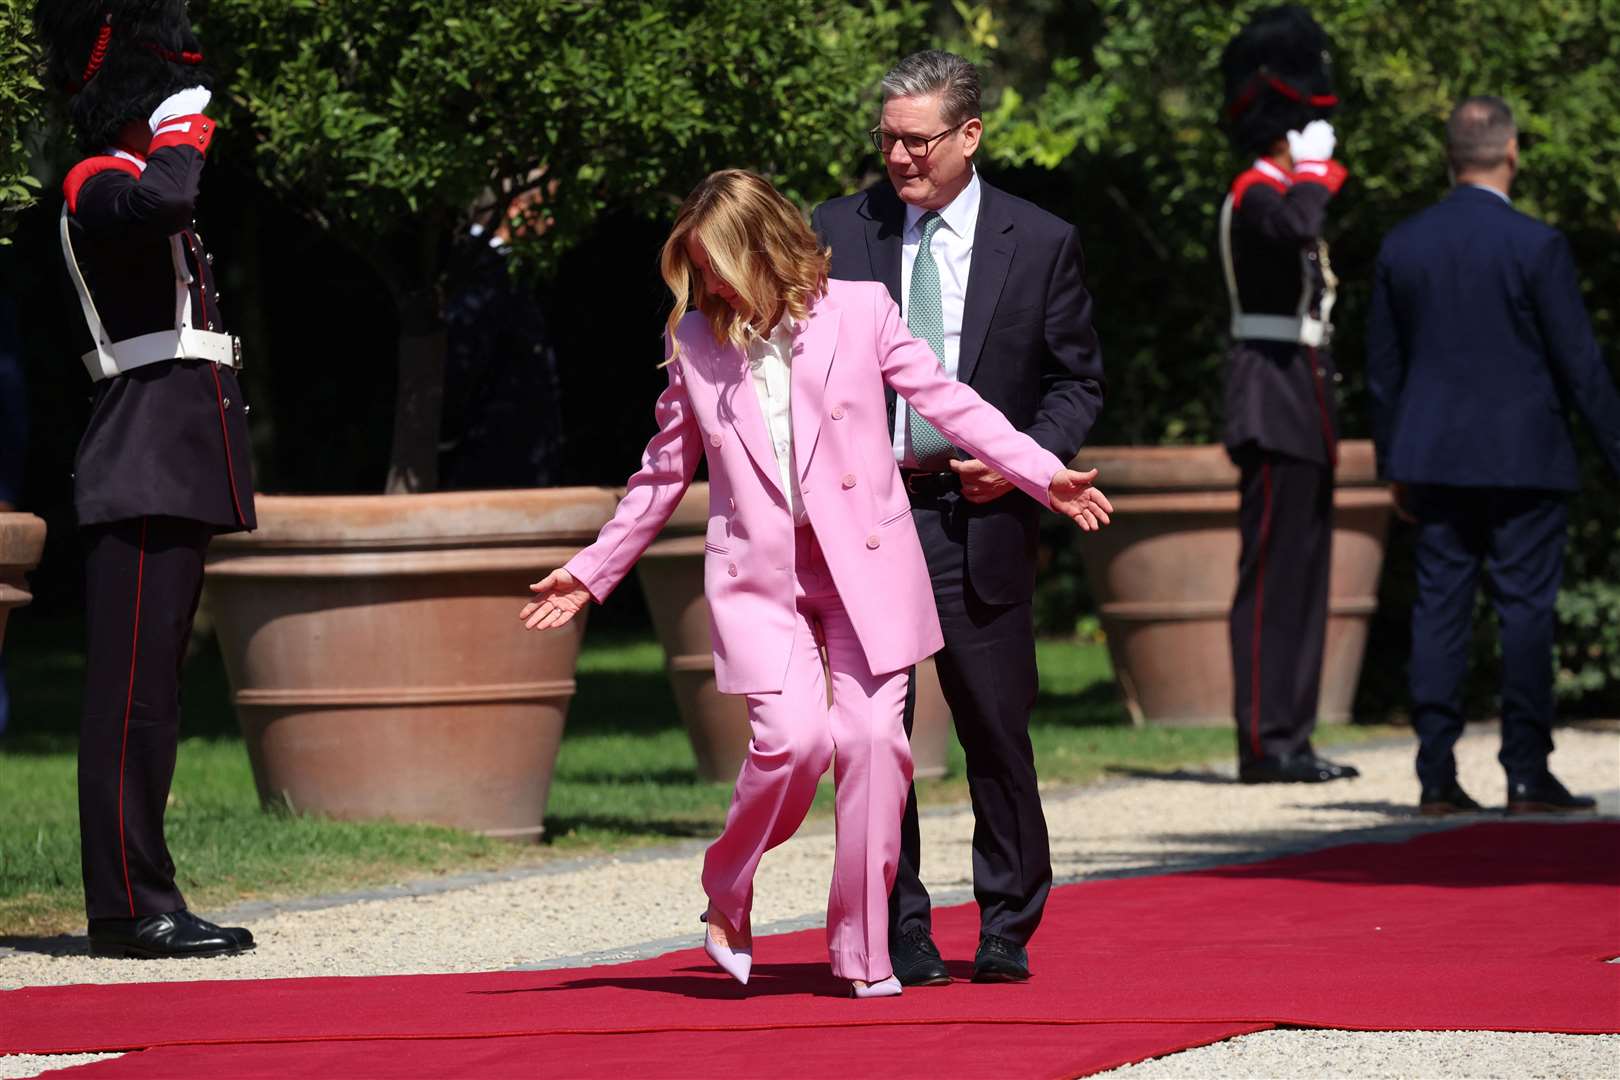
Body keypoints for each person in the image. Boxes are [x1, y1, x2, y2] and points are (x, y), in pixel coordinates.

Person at [520, 169, 1113, 998]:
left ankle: (865, 953)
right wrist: (591, 574)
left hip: (865, 569)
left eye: (722, 263)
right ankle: (728, 888)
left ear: (765, 247)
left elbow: (953, 402)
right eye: (700, 268)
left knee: (876, 747)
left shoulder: (862, 310)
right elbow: (659, 476)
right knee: (794, 744)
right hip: (762, 579)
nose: (714, 284)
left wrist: (1041, 475)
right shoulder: (697, 340)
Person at [811, 49, 1105, 987]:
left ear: (969, 135)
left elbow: (1076, 380)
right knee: (873, 735)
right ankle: (899, 927)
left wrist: (1020, 460)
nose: (898, 159)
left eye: (917, 141)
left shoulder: (1042, 238)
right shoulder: (835, 234)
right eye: (886, 140)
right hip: (871, 519)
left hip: (982, 519)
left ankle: (1007, 922)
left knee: (994, 727)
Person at [34, 0, 258, 958]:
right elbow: (163, 200)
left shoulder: (142, 170)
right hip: (141, 452)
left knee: (156, 696)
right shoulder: (98, 177)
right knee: (129, 698)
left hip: (176, 450)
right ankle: (127, 906)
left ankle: (144, 891)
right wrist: (178, 130)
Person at [1366, 95, 1620, 815]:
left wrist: (1395, 463)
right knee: (1526, 612)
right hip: (1524, 456)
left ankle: (1436, 775)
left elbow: (1383, 370)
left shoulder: (1403, 245)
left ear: (1449, 158)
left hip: (1434, 458)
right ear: (1511, 154)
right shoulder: (1538, 246)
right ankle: (1526, 772)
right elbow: (1581, 365)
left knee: (1439, 612)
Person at [1216, 6, 1360, 786]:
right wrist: (1312, 170)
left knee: (1305, 571)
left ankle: (1294, 735)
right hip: (1270, 388)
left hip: (1299, 386)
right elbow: (1300, 223)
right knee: (1273, 575)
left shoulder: (1276, 186)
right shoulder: (1257, 192)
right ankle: (1265, 742)